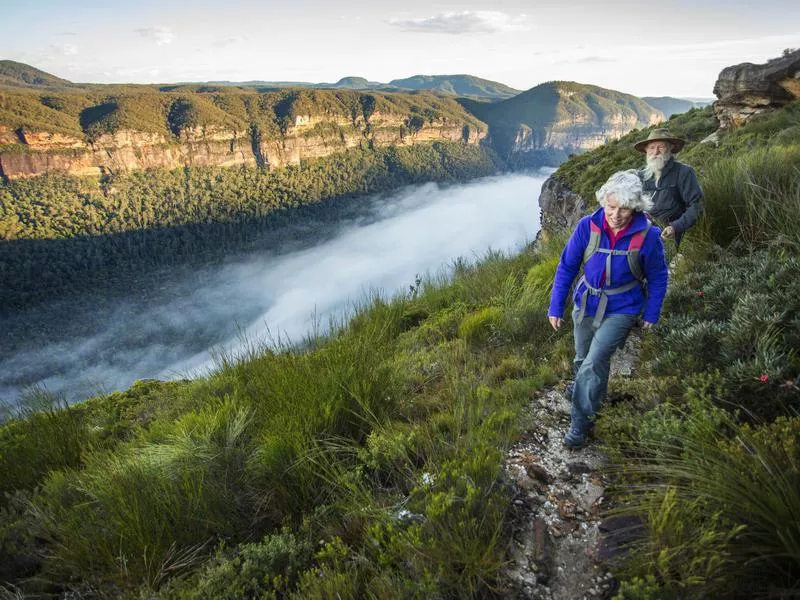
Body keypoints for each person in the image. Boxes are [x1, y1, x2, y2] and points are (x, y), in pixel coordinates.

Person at [548, 170, 669, 448]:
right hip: (586, 302)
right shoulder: (587, 227)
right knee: (582, 359)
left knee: (593, 361)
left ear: (635, 207)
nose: (615, 215)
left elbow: (659, 276)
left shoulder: (648, 236)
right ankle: (589, 393)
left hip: (623, 307)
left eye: (624, 209)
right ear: (604, 202)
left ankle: (581, 422)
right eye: (611, 207)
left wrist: (651, 312)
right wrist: (556, 306)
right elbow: (567, 266)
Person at [635, 129, 703, 248]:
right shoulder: (640, 175)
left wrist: (675, 227)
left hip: (674, 236)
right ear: (646, 150)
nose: (655, 152)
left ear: (670, 149)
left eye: (661, 147)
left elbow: (696, 205)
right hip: (643, 234)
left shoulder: (684, 172)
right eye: (651, 148)